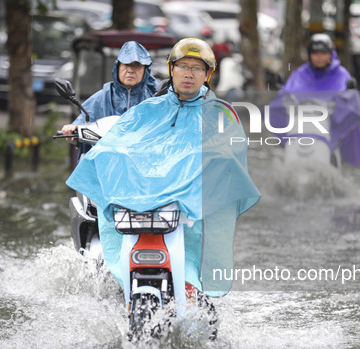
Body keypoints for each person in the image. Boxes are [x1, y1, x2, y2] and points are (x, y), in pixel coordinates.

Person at [65, 38, 260, 300]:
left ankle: (195, 290)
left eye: (197, 68)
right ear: (171, 69)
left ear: (208, 74)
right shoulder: (148, 108)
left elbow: (231, 152)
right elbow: (119, 140)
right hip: (146, 202)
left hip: (190, 207)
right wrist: (108, 154)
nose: (189, 74)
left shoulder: (221, 114)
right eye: (182, 66)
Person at [270, 33, 360, 167]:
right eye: (315, 53)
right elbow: (286, 93)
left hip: (329, 125)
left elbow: (349, 99)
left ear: (330, 54)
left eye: (323, 53)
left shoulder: (341, 75)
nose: (319, 57)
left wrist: (342, 103)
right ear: (309, 54)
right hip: (301, 123)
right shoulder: (299, 74)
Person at [61, 40, 158, 150]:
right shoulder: (102, 96)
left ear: (145, 70)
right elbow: (81, 123)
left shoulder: (157, 97)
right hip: (106, 158)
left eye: (137, 65)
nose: (130, 70)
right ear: (118, 67)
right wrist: (72, 129)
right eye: (126, 64)